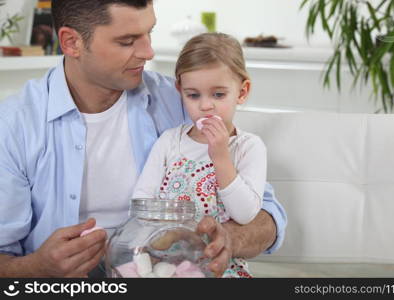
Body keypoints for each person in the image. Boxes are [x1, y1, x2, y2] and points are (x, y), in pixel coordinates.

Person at [0, 0, 287, 278]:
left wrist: (228, 239)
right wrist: (35, 269)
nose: (148, 52)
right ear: (72, 42)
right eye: (127, 41)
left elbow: (267, 214)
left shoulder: (185, 101)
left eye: (149, 32)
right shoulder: (14, 125)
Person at [132, 33, 266, 278]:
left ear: (242, 92)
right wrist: (164, 233)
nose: (205, 106)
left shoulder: (249, 147)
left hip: (218, 265)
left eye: (218, 95)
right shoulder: (170, 141)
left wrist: (221, 157)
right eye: (193, 95)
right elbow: (141, 200)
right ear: (180, 90)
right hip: (165, 260)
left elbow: (245, 214)